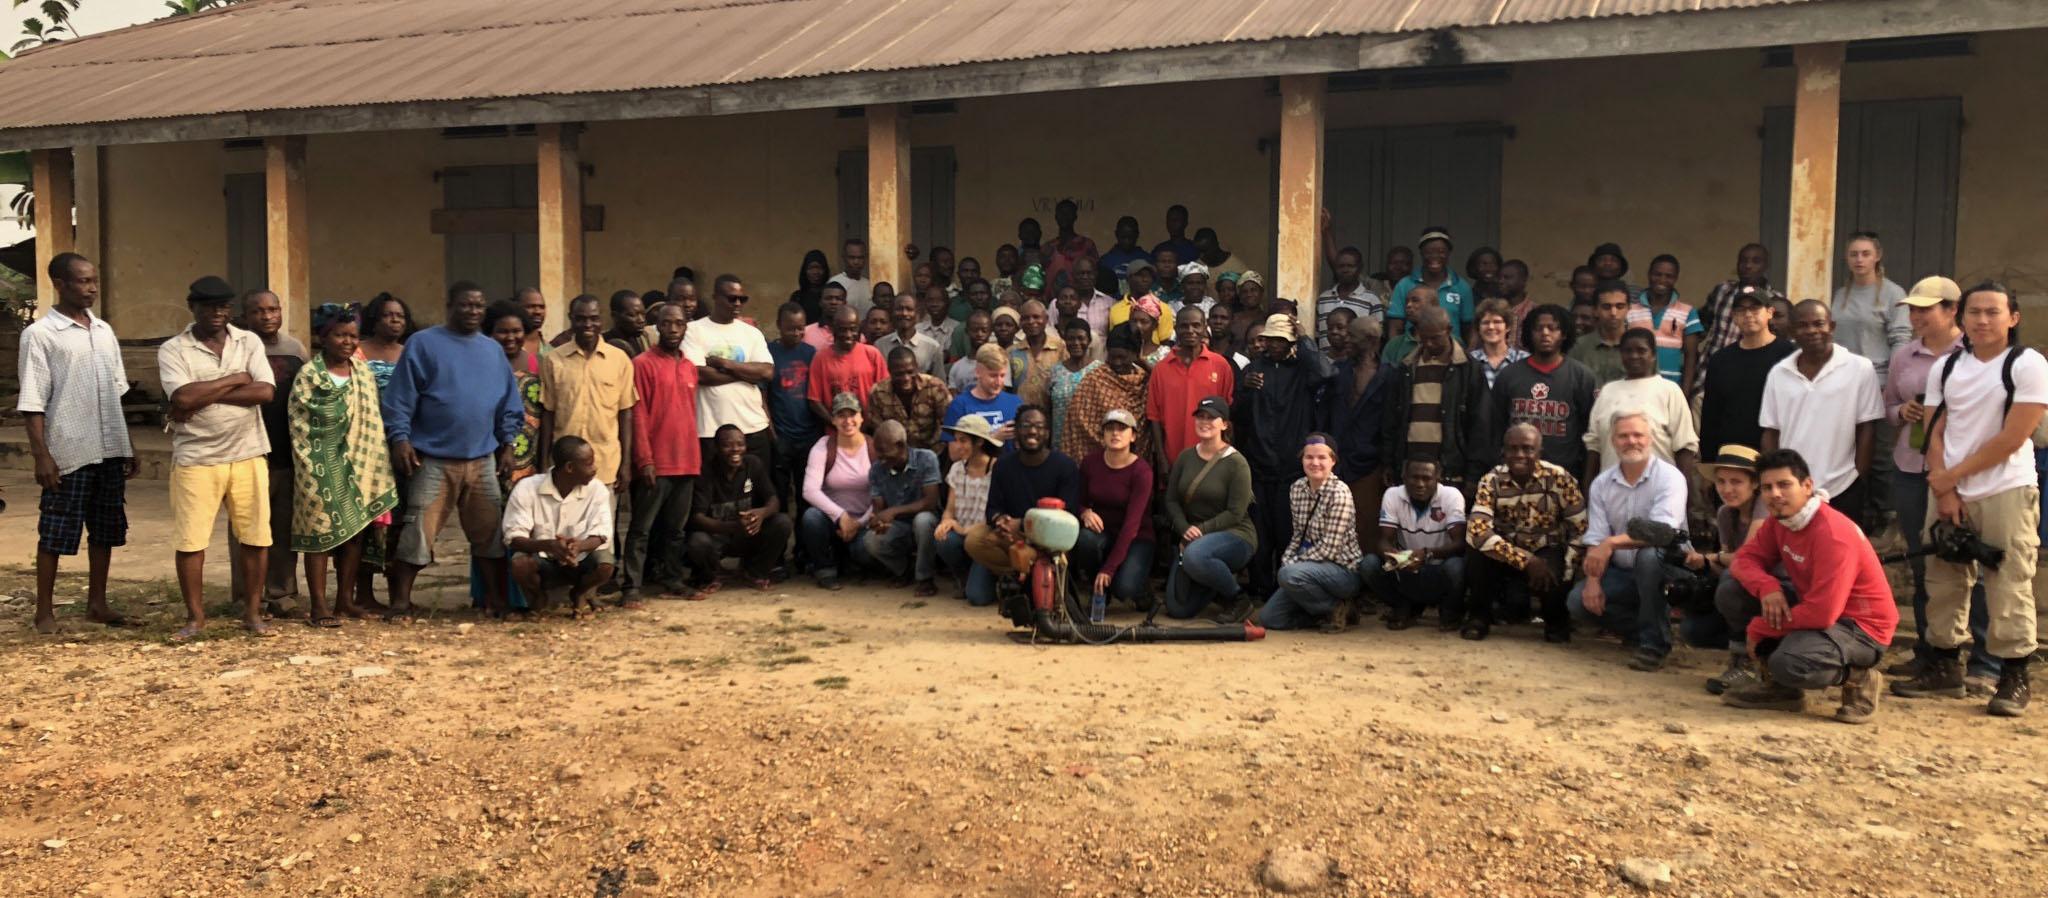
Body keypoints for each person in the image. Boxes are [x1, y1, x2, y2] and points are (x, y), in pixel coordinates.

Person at [1894, 281, 2045, 715]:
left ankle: (2011, 674)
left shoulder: (2026, 364)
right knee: (1942, 576)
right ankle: (1944, 666)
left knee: (2009, 580)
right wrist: (1945, 487)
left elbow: (2014, 437)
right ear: (1963, 318)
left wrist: (1947, 480)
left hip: (2006, 487)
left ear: (2012, 318)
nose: (1982, 320)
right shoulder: (1948, 366)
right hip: (1949, 487)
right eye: (1975, 312)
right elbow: (1935, 427)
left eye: (1993, 312)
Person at [1719, 450, 1897, 724]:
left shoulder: (1833, 534)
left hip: (1862, 628)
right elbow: (1744, 560)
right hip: (1821, 614)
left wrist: (1762, 628)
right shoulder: (1779, 522)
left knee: (1789, 661)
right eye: (1767, 487)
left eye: (1784, 485)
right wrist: (1767, 587)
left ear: (1807, 486)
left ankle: (1860, 678)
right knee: (1732, 592)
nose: (1775, 494)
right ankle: (1782, 691)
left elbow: (1822, 614)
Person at [382, 281, 525, 620]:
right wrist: (400, 439)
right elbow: (400, 398)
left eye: (478, 306)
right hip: (433, 459)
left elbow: (509, 403)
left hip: (482, 459)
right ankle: (401, 602)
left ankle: (495, 601)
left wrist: (508, 444)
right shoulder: (423, 344)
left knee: (490, 533)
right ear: (450, 305)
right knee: (418, 531)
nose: (473, 311)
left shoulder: (492, 350)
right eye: (465, 305)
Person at [1883, 277, 2000, 688]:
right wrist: (1904, 413)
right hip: (1913, 467)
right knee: (1926, 563)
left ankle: (1986, 661)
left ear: (1952, 311)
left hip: (1965, 472)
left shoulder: (1975, 356)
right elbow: (1890, 404)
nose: (1916, 317)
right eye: (1912, 310)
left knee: (1979, 564)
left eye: (1925, 309)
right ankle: (1930, 655)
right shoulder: (1903, 356)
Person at [18, 253, 139, 633]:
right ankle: (44, 612)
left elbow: (116, 393)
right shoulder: (39, 335)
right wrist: (42, 455)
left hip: (108, 446)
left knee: (105, 528)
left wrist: (128, 444)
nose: (91, 288)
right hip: (69, 450)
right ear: (60, 283)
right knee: (56, 530)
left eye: (94, 281)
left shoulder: (103, 331)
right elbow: (33, 400)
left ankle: (97, 603)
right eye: (83, 281)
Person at [158, 276, 280, 638]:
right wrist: (236, 379)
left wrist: (205, 394)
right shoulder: (173, 349)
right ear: (192, 307)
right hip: (197, 456)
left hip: (248, 451)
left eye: (224, 307)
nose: (218, 313)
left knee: (256, 537)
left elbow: (265, 392)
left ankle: (253, 613)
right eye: (209, 307)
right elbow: (180, 399)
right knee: (191, 541)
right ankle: (195, 617)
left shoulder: (249, 341)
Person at [287, 303, 399, 628]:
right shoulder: (309, 375)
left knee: (354, 534)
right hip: (319, 466)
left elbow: (372, 419)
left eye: (353, 336)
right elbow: (300, 424)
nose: (348, 342)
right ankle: (319, 605)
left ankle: (345, 601)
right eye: (340, 335)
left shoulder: (363, 373)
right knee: (320, 534)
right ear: (324, 336)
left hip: (361, 465)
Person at [1568, 410, 1689, 670]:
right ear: (1613, 441)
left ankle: (1654, 645)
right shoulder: (1602, 484)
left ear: (1650, 439)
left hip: (1668, 571)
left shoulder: (1671, 478)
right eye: (1624, 435)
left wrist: (1611, 544)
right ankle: (1645, 626)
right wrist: (1592, 581)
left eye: (1638, 435)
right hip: (1623, 572)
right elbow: (1596, 538)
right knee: (1578, 602)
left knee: (1649, 558)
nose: (1631, 441)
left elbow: (1663, 531)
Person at [1235, 313, 1334, 598]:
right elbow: (1239, 416)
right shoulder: (1253, 369)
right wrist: (1246, 390)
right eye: (1271, 339)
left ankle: (1285, 590)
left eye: (1283, 339)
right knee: (1260, 535)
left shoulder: (1303, 370)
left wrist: (1304, 337)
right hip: (1259, 466)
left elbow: (1325, 372)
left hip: (1291, 470)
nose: (1276, 345)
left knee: (1288, 533)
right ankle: (1260, 590)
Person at [1760, 300, 1883, 528]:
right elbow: (1770, 431)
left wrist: (1858, 477)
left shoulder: (1859, 368)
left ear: (1832, 326)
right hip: (1792, 488)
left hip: (1843, 486)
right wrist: (1776, 480)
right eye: (1803, 325)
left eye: (1819, 323)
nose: (1812, 331)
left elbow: (1867, 427)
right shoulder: (1778, 373)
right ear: (1792, 331)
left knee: (1840, 557)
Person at [225, 289, 308, 616]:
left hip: (286, 454)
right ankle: (247, 597)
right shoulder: (236, 348)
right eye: (258, 311)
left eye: (273, 309)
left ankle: (282, 594)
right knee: (245, 529)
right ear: (246, 316)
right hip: (246, 451)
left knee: (285, 530)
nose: (267, 316)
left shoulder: (294, 349)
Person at [1464, 424, 1586, 642]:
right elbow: (1478, 530)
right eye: (1513, 448)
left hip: (1547, 550)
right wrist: (1527, 560)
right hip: (1506, 552)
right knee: (1476, 552)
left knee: (1554, 574)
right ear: (1504, 452)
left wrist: (1567, 572)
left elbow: (1581, 529)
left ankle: (1556, 621)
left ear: (1539, 452)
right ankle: (1478, 618)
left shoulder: (1560, 479)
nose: (1520, 455)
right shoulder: (1491, 480)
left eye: (1528, 449)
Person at [621, 301, 703, 604]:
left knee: (675, 530)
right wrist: (644, 460)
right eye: (666, 324)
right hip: (656, 462)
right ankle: (631, 586)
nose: (672, 329)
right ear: (657, 327)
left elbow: (690, 414)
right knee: (642, 529)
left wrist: (695, 458)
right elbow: (638, 414)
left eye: (678, 324)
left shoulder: (689, 366)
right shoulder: (643, 364)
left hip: (687, 461)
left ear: (685, 327)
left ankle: (673, 579)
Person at [963, 405, 1081, 591]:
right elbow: (992, 507)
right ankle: (1024, 572)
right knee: (974, 541)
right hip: (1013, 538)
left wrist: (1024, 522)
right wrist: (1000, 520)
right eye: (1026, 425)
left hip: (1050, 539)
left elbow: (1069, 513)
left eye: (1039, 426)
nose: (1033, 431)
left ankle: (1032, 576)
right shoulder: (1003, 466)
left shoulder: (1065, 466)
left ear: (1048, 433)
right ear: (1016, 432)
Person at [1160, 397, 1256, 621]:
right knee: (1177, 609)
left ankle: (1238, 598)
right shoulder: (1186, 457)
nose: (1205, 421)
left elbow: (1236, 512)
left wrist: (1200, 531)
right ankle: (1216, 582)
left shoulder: (1237, 463)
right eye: (1200, 416)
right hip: (1193, 537)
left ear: (1224, 424)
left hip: (1234, 535)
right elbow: (1172, 499)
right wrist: (1185, 529)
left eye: (1211, 417)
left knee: (1196, 555)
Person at [1258, 434, 1365, 633]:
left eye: (1322, 458)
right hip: (1308, 570)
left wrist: (1294, 566)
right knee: (1270, 618)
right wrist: (1288, 558)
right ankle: (1326, 614)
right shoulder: (1297, 488)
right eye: (1309, 457)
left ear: (1333, 461)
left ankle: (1335, 608)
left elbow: (1329, 549)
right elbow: (1298, 535)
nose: (1315, 463)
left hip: (1342, 571)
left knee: (1289, 575)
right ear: (1302, 460)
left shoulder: (1339, 492)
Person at [1381, 304, 1491, 493]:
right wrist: (1388, 462)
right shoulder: (1407, 367)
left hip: (1451, 474)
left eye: (1435, 338)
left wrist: (1473, 475)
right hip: (1409, 473)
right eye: (1424, 338)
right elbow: (1391, 419)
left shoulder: (1468, 369)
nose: (1429, 344)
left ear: (1449, 330)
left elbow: (1480, 425)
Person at [502, 435, 615, 617]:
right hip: (543, 560)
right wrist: (549, 546)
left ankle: (579, 593)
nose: (594, 469)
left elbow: (602, 534)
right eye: (588, 464)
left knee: (606, 563)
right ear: (570, 467)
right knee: (519, 563)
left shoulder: (597, 490)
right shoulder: (527, 488)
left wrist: (578, 546)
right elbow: (513, 538)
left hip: (579, 560)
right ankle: (539, 597)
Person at [1689, 445, 1771, 693]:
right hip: (1747, 587)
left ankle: (1747, 663)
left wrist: (1713, 557)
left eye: (1736, 481)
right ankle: (1751, 654)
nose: (1726, 489)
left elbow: (1746, 559)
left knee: (1730, 577)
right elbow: (1731, 561)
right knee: (1692, 630)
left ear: (1755, 483)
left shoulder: (1765, 506)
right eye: (1721, 482)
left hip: (1774, 587)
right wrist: (1701, 563)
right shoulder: (1726, 514)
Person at [540, 295, 636, 492]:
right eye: (581, 319)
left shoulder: (619, 360)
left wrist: (626, 464)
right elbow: (548, 413)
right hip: (564, 467)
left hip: (605, 465)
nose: (588, 324)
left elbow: (625, 413)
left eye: (593, 318)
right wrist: (542, 463)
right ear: (571, 319)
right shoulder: (553, 360)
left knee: (602, 523)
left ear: (601, 319)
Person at [1491, 304, 1596, 482]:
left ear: (1563, 334)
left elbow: (1588, 431)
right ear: (1530, 334)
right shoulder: (1509, 375)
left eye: (1552, 328)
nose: (1545, 333)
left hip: (1564, 476)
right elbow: (1494, 428)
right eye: (1539, 328)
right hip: (1515, 475)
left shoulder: (1581, 376)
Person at [686, 424, 791, 592]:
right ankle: (711, 575)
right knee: (697, 541)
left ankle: (755, 572)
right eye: (727, 445)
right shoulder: (705, 472)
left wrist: (761, 514)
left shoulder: (753, 464)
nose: (735, 449)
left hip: (746, 534)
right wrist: (734, 526)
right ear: (716, 447)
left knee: (782, 522)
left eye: (740, 444)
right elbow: (696, 517)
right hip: (717, 537)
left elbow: (773, 499)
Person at [1584, 328, 1699, 481]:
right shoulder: (1608, 392)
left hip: (1659, 488)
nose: (1634, 356)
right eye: (1628, 351)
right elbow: (1595, 446)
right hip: (1613, 488)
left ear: (1653, 355)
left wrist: (1684, 492)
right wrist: (1588, 485)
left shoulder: (1669, 391)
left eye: (1641, 351)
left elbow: (1684, 447)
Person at [685, 274, 776, 465]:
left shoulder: (752, 333)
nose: (737, 303)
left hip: (752, 426)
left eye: (742, 299)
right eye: (731, 298)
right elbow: (701, 375)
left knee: (757, 489)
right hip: (711, 431)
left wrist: (725, 364)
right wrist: (747, 374)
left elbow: (767, 373)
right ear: (715, 297)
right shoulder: (694, 330)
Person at [1698, 287, 1795, 461]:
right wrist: (1708, 462)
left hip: (1777, 456)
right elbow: (1710, 418)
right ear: (1734, 317)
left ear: (1769, 313)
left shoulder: (1789, 356)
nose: (1748, 314)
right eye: (1741, 310)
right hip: (1731, 456)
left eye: (1755, 308)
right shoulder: (1721, 360)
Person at [1073, 409, 1156, 611]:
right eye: (1110, 429)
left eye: (1122, 429)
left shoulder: (1141, 471)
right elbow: (1077, 500)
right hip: (1103, 534)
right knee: (1085, 539)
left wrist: (1109, 570)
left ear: (1133, 436)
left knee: (1125, 588)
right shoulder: (1090, 462)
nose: (1115, 434)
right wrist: (1085, 512)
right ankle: (1099, 588)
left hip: (1136, 538)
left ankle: (1138, 585)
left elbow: (1132, 526)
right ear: (1103, 435)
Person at [1328, 314, 1394, 550]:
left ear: (1369, 339)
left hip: (1370, 462)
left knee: (1366, 525)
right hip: (1337, 461)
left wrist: (1387, 462)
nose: (1346, 339)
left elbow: (1392, 423)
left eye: (1352, 335)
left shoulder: (1390, 375)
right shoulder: (1338, 371)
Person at [1148, 306, 1235, 473]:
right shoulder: (1161, 369)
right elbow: (1155, 418)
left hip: (1212, 458)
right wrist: (1161, 459)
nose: (1190, 330)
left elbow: (1227, 416)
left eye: (1196, 325)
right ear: (1176, 328)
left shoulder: (1220, 365)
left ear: (1204, 327)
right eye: (1184, 326)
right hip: (1174, 457)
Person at [800, 393, 874, 590]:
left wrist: (858, 523)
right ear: (833, 420)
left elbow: (882, 494)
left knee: (864, 551)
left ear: (861, 417)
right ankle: (825, 570)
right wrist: (841, 516)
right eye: (841, 415)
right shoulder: (823, 446)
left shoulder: (874, 447)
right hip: (832, 521)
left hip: (865, 521)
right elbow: (809, 490)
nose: (848, 421)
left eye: (852, 415)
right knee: (811, 518)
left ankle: (852, 562)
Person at [1691, 244, 1786, 395]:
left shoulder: (1776, 301)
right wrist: (1692, 357)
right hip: (1707, 378)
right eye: (1743, 260)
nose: (1748, 266)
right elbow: (1699, 327)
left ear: (1765, 266)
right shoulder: (1722, 291)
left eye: (1756, 261)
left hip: (1749, 381)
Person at [862, 420, 942, 595]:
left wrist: (893, 511)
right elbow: (879, 508)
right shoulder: (876, 470)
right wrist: (879, 521)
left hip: (925, 521)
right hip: (899, 525)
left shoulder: (926, 458)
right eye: (878, 453)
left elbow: (930, 501)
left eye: (884, 452)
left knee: (923, 521)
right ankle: (903, 570)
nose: (881, 458)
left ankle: (924, 578)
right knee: (871, 540)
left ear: (901, 445)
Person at [934, 414, 1003, 604]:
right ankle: (962, 576)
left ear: (979, 441)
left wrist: (968, 530)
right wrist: (946, 521)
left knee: (977, 598)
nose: (958, 446)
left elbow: (999, 511)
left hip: (983, 536)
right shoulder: (957, 469)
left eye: (963, 441)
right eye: (956, 441)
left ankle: (987, 576)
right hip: (961, 532)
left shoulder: (997, 469)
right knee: (943, 539)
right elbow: (949, 508)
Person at [1061, 323, 1151, 462]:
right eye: (1112, 357)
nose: (1117, 362)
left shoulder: (1145, 380)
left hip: (1134, 461)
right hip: (1097, 460)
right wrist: (1115, 443)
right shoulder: (1094, 380)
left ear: (1135, 354)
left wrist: (1143, 362)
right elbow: (1079, 423)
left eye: (1123, 357)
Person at [1831, 232, 1911, 383]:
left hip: (1876, 379)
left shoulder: (1893, 293)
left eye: (1866, 254)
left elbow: (1900, 340)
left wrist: (1892, 381)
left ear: (1877, 256)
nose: (1859, 259)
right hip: (1841, 377)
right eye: (1853, 254)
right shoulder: (1840, 295)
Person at [766, 302, 818, 515]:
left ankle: (804, 547)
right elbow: (762, 397)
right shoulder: (768, 353)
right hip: (781, 436)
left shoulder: (811, 353)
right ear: (778, 325)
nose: (796, 333)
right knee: (779, 495)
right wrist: (773, 435)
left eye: (800, 328)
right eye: (790, 328)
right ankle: (780, 544)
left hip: (809, 436)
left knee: (806, 496)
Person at [1387, 227, 1474, 342]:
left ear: (1449, 253)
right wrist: (1395, 354)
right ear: (1421, 253)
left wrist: (1466, 356)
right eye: (1429, 252)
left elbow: (1469, 329)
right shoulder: (1405, 285)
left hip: (1452, 354)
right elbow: (1395, 327)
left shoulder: (1461, 286)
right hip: (1410, 353)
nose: (1435, 256)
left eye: (1441, 251)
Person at [1625, 254, 1699, 386]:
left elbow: (1690, 357)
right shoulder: (1630, 311)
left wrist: (1685, 392)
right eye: (1657, 274)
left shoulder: (1688, 312)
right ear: (1649, 275)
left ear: (1675, 278)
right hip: (1635, 384)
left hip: (1671, 386)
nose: (1662, 279)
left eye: (1668, 276)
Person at [868, 346, 952, 452]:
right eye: (899, 374)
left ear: (916, 367)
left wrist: (931, 454)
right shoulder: (878, 393)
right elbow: (879, 430)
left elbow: (947, 424)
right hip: (895, 455)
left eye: (910, 372)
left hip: (934, 453)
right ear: (889, 371)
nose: (906, 378)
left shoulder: (935, 387)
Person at [1045, 318, 1101, 453]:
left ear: (1089, 341)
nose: (1076, 343)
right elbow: (1049, 409)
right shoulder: (1055, 372)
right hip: (1060, 444)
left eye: (1081, 338)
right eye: (1071, 338)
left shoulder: (1100, 371)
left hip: (1091, 445)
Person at [1568, 281, 1631, 387]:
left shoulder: (1640, 345)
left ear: (1629, 309)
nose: (1613, 313)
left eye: (1620, 306)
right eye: (1606, 307)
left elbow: (1651, 386)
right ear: (1595, 310)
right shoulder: (1579, 346)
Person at [875, 293, 945, 379]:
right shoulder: (880, 345)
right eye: (899, 309)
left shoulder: (932, 347)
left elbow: (940, 385)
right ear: (892, 312)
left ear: (917, 313)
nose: (904, 313)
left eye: (909, 309)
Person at [1012, 300, 1067, 408]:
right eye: (1026, 318)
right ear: (1020, 322)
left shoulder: (1061, 347)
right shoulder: (1012, 352)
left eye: (1036, 317)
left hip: (1053, 414)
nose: (1031, 321)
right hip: (1020, 416)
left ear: (1046, 319)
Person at [1469, 299, 1528, 389]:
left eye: (1497, 322)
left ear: (1507, 327)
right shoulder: (1470, 361)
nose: (1491, 327)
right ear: (1479, 329)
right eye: (1485, 322)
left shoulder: (1523, 360)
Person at [1043, 198, 1099, 291]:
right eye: (1061, 213)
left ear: (1075, 216)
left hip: (1081, 300)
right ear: (1056, 217)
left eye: (1068, 213)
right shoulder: (1047, 248)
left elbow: (1095, 273)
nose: (1065, 216)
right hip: (1051, 302)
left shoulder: (1087, 245)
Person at [947, 310, 998, 394]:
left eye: (984, 330)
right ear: (967, 331)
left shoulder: (999, 364)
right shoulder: (957, 367)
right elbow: (954, 400)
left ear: (990, 331)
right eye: (975, 330)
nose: (979, 334)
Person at [1098, 216, 1147, 297]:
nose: (1127, 241)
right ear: (1116, 234)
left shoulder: (1146, 259)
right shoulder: (1106, 261)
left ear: (1137, 235)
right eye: (1123, 237)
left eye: (1130, 237)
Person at [1495, 260, 1534, 351]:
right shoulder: (1492, 310)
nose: (1501, 281)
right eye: (1499, 277)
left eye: (1507, 277)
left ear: (1523, 280)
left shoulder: (1534, 311)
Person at [916, 284, 960, 360]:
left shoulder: (956, 329)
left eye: (939, 300)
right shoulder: (917, 329)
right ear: (925, 304)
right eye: (930, 300)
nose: (934, 304)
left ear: (948, 303)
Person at [830, 237, 872, 317]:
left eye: (860, 258)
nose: (856, 262)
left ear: (866, 258)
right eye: (852, 258)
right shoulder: (835, 283)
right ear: (844, 257)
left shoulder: (868, 285)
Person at [603, 290, 652, 357]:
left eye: (643, 314)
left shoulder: (642, 341)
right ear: (615, 316)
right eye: (632, 315)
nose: (641, 320)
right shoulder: (602, 343)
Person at [790, 248, 832, 325]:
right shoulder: (797, 297)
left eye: (819, 268)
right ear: (804, 271)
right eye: (811, 268)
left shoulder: (830, 297)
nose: (815, 272)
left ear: (825, 270)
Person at [801, 281, 846, 351]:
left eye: (838, 299)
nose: (833, 302)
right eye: (828, 298)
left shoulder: (854, 335)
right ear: (820, 302)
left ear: (845, 303)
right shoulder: (805, 333)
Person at [1151, 204, 1198, 270]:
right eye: (1169, 220)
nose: (1172, 224)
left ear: (1185, 223)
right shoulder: (1159, 249)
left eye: (1176, 220)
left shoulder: (1194, 249)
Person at [510, 287, 550, 358]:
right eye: (530, 307)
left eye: (541, 307)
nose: (538, 312)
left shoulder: (550, 350)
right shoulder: (508, 346)